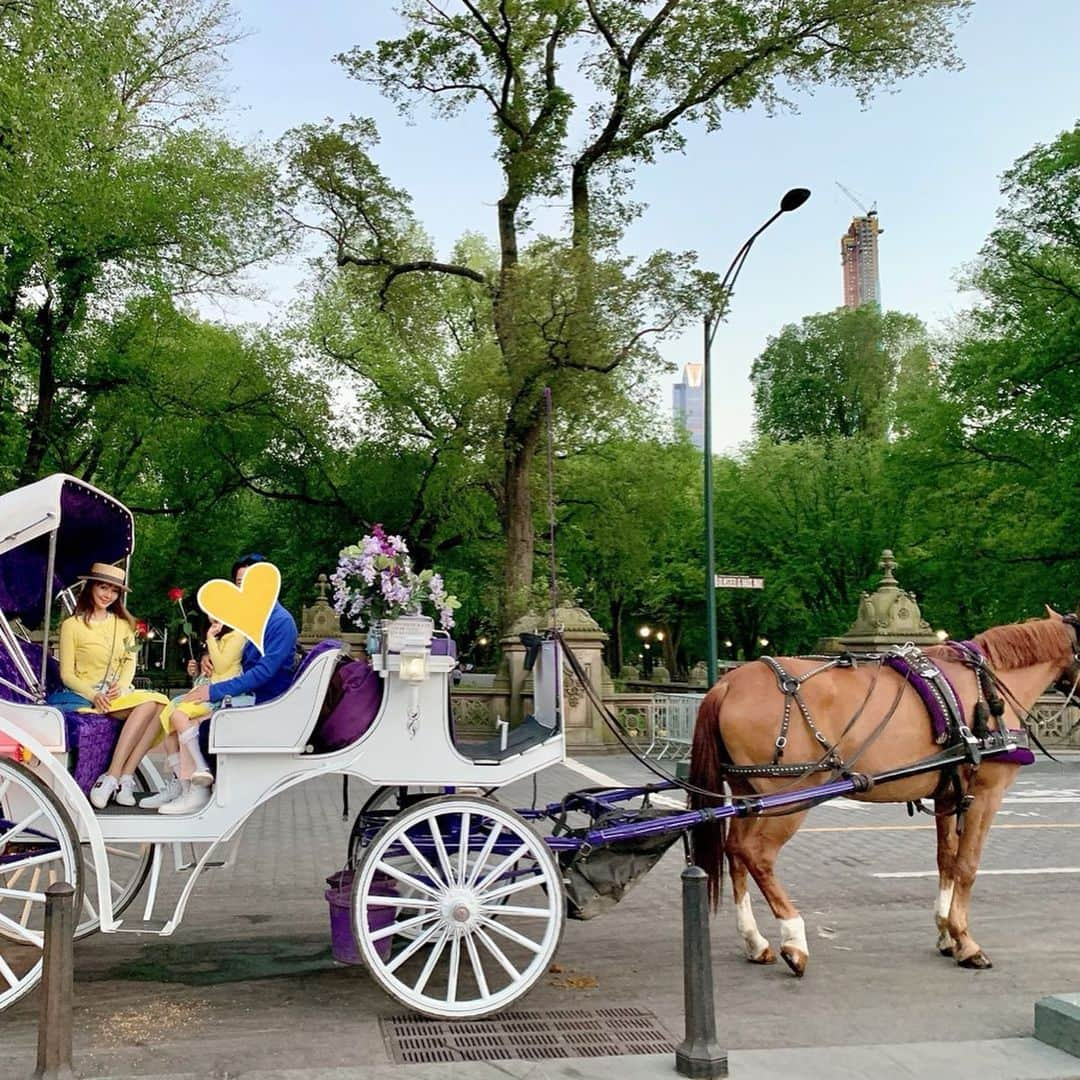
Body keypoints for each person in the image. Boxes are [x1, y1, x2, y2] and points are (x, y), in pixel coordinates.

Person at [159, 553, 298, 815]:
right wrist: (206, 658)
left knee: (198, 722)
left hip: (265, 698)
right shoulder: (248, 616)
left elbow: (264, 672)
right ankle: (184, 784)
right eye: (238, 582)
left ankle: (198, 789)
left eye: (249, 582)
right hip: (243, 689)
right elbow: (228, 649)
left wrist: (212, 690)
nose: (242, 589)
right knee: (171, 717)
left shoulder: (280, 622)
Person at [48, 562, 171, 810]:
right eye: (103, 587)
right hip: (84, 695)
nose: (108, 595)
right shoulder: (72, 626)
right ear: (91, 587)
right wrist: (95, 695)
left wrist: (121, 687)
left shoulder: (124, 625)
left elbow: (129, 661)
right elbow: (67, 674)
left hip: (117, 694)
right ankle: (116, 777)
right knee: (151, 705)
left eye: (114, 591)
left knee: (161, 705)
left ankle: (121, 777)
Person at [141, 619, 245, 811]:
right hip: (209, 690)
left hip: (221, 696)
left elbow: (222, 667)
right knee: (168, 725)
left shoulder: (237, 636)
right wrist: (198, 668)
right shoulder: (221, 639)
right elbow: (212, 672)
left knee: (180, 717)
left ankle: (199, 773)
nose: (214, 618)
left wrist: (209, 639)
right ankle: (181, 785)